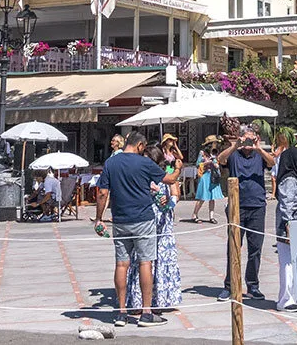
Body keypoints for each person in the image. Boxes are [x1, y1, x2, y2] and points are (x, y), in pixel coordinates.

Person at [94, 132, 167, 327]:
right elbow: (167, 179)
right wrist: (177, 168)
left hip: (120, 219)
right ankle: (146, 312)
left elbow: (102, 193)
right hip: (143, 218)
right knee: (145, 263)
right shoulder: (143, 163)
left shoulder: (111, 163)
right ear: (141, 145)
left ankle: (121, 313)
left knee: (121, 264)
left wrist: (99, 218)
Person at [217, 126, 274, 303]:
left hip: (257, 206)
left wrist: (258, 148)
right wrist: (235, 146)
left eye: (251, 139)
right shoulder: (234, 154)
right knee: (233, 247)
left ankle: (253, 285)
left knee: (255, 248)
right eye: (245, 139)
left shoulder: (259, 155)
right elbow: (221, 159)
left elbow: (272, 163)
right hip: (237, 206)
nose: (248, 143)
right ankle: (230, 286)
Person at [125, 141, 183, 315]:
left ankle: (162, 299)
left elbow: (176, 194)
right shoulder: (139, 174)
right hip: (144, 218)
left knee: (161, 258)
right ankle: (139, 301)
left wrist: (168, 202)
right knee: (142, 259)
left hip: (162, 221)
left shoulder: (166, 173)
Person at [272, 135, 297, 313]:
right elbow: (286, 205)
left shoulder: (295, 178)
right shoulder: (289, 181)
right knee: (287, 264)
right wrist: (288, 228)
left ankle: (293, 295)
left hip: (295, 225)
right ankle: (285, 300)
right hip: (289, 228)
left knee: (292, 263)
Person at [190, 138, 223, 224]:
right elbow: (197, 164)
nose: (215, 144)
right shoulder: (202, 153)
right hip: (205, 176)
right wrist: (207, 163)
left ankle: (211, 216)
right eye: (214, 143)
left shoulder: (214, 153)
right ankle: (194, 214)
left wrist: (215, 164)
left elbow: (217, 163)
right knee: (202, 197)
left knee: (212, 198)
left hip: (212, 176)